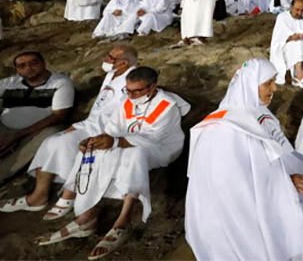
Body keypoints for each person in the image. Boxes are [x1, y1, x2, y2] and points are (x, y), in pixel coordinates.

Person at [185, 58, 303, 261]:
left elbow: (266, 159)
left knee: (300, 225)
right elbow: (230, 184)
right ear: (250, 85)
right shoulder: (223, 129)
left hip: (266, 194)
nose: (274, 88)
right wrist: (284, 183)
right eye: (268, 83)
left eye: (274, 80)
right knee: (296, 228)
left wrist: (286, 180)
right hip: (235, 215)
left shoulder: (255, 113)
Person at [34, 67, 190, 259]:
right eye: (128, 90)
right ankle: (86, 216)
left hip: (160, 148)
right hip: (126, 142)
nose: (131, 95)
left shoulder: (168, 105)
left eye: (137, 91)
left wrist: (115, 142)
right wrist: (95, 141)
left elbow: (154, 137)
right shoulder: (127, 100)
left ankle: (123, 221)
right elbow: (112, 129)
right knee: (96, 151)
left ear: (153, 87)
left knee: (135, 154)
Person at [1, 47, 137, 218]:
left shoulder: (132, 80)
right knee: (52, 142)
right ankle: (39, 196)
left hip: (109, 130)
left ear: (123, 63)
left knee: (59, 142)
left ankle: (71, 195)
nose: (105, 59)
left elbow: (119, 113)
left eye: (110, 57)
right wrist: (81, 124)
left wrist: (95, 129)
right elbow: (100, 108)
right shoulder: (112, 75)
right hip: (90, 124)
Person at [0, 52, 75, 183]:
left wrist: (18, 134)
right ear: (17, 70)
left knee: (50, 135)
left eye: (33, 63)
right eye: (22, 66)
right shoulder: (9, 83)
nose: (28, 68)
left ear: (43, 63)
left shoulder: (60, 83)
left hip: (38, 130)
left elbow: (59, 116)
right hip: (4, 126)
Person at [270, 0, 303, 88]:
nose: (299, 13)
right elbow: (279, 37)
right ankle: (299, 76)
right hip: (285, 44)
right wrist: (291, 37)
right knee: (296, 44)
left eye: (302, 11)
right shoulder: (282, 17)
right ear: (291, 7)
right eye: (297, 10)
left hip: (302, 41)